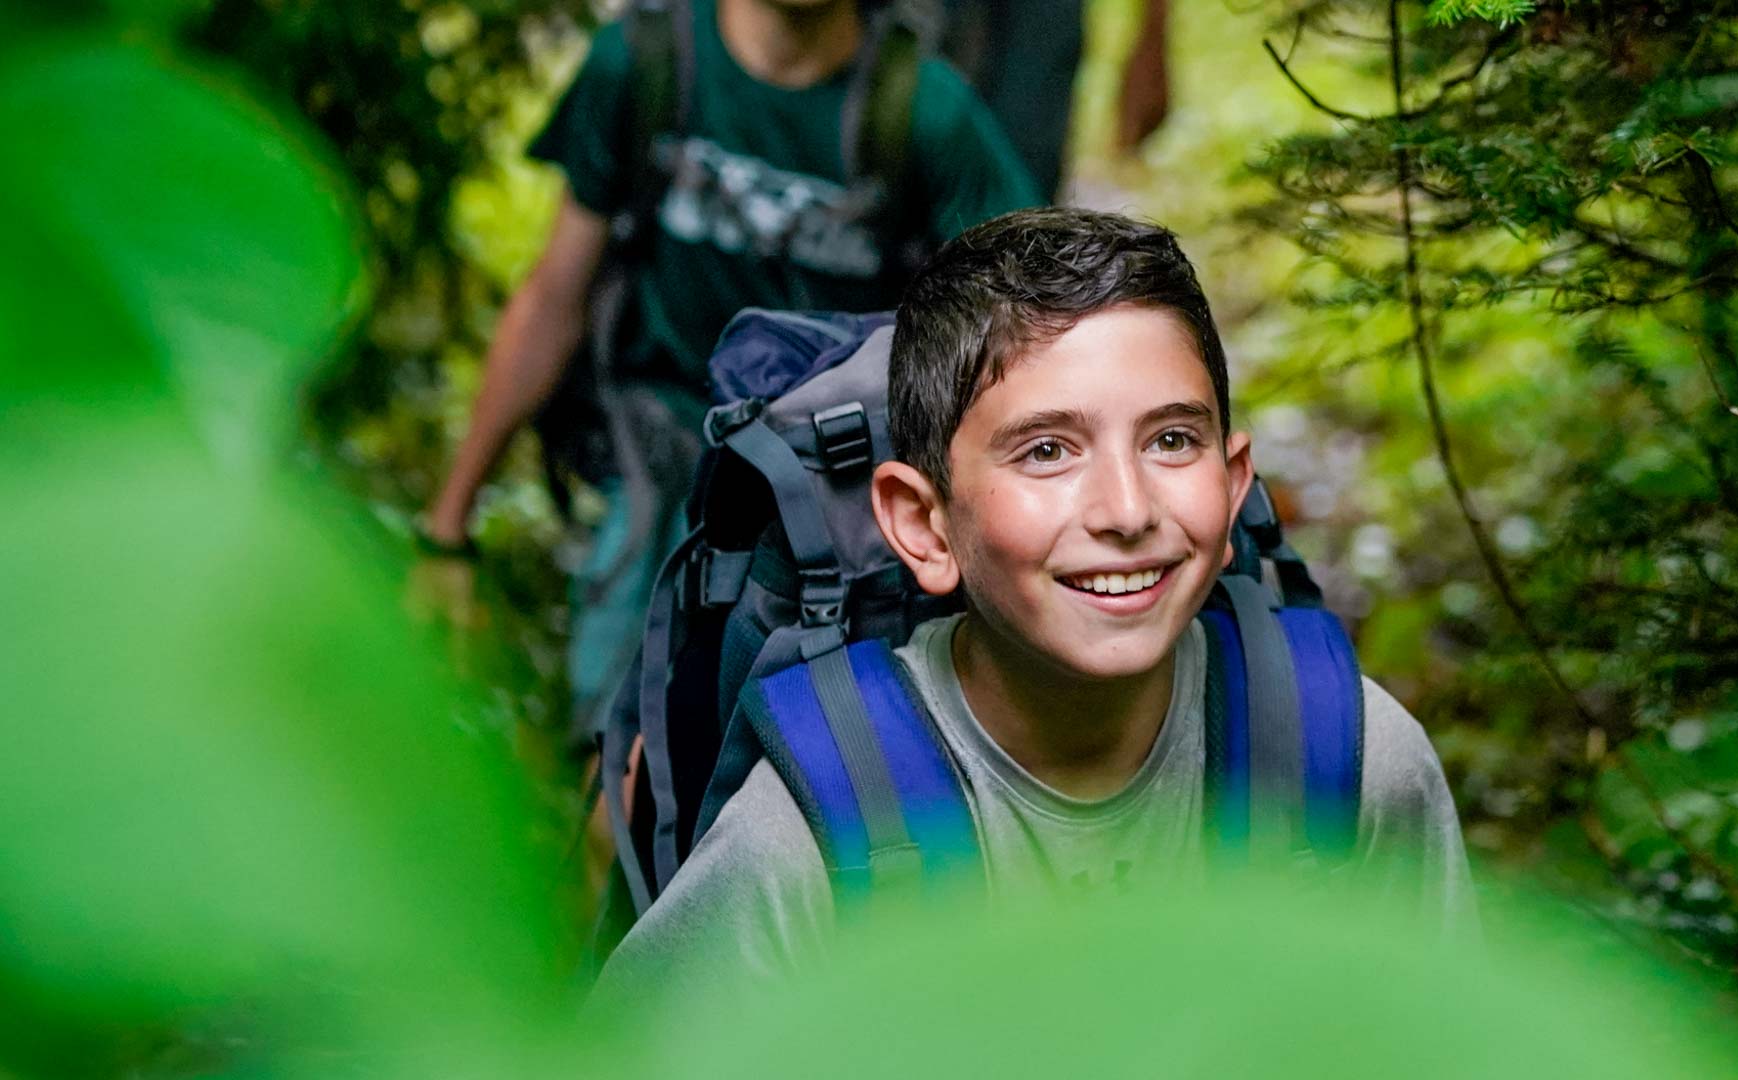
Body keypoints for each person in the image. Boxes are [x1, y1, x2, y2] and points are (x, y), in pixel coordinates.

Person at [595, 208, 1475, 993]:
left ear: (1235, 480)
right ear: (923, 524)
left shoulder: (1353, 766)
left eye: (1172, 439)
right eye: (1047, 451)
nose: (1127, 511)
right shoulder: (816, 842)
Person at [419, 0, 1039, 735]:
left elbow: (1019, 342)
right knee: (615, 756)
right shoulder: (644, 65)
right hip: (661, 447)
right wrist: (447, 529)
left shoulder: (927, 116)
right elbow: (555, 297)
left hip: (837, 482)